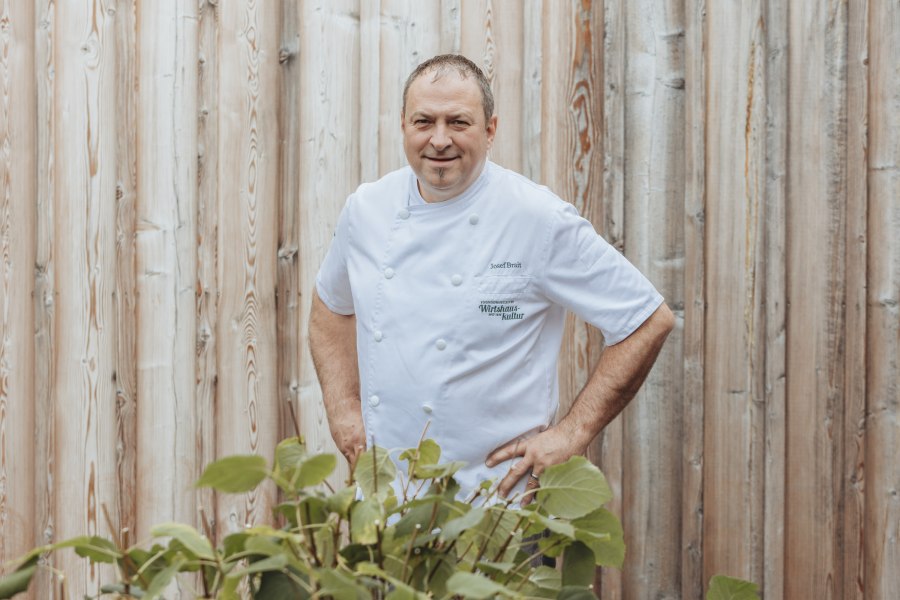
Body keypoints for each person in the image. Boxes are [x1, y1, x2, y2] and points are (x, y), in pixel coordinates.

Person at [309, 54, 674, 501]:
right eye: (424, 121)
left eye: (458, 122)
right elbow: (330, 306)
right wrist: (343, 408)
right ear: (403, 125)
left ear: (490, 129)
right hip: (386, 503)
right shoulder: (366, 210)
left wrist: (573, 433)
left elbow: (646, 318)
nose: (439, 140)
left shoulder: (536, 218)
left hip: (497, 506)